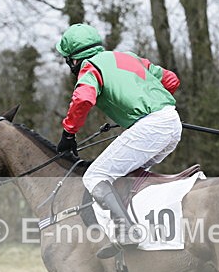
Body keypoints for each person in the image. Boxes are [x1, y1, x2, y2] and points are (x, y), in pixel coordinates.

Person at [55, 23, 182, 259]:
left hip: (151, 126)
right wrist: (144, 104)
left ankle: (128, 231)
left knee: (95, 176)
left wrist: (69, 133)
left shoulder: (90, 68)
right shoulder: (129, 57)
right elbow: (171, 80)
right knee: (126, 178)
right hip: (171, 122)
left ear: (73, 59)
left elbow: (83, 99)